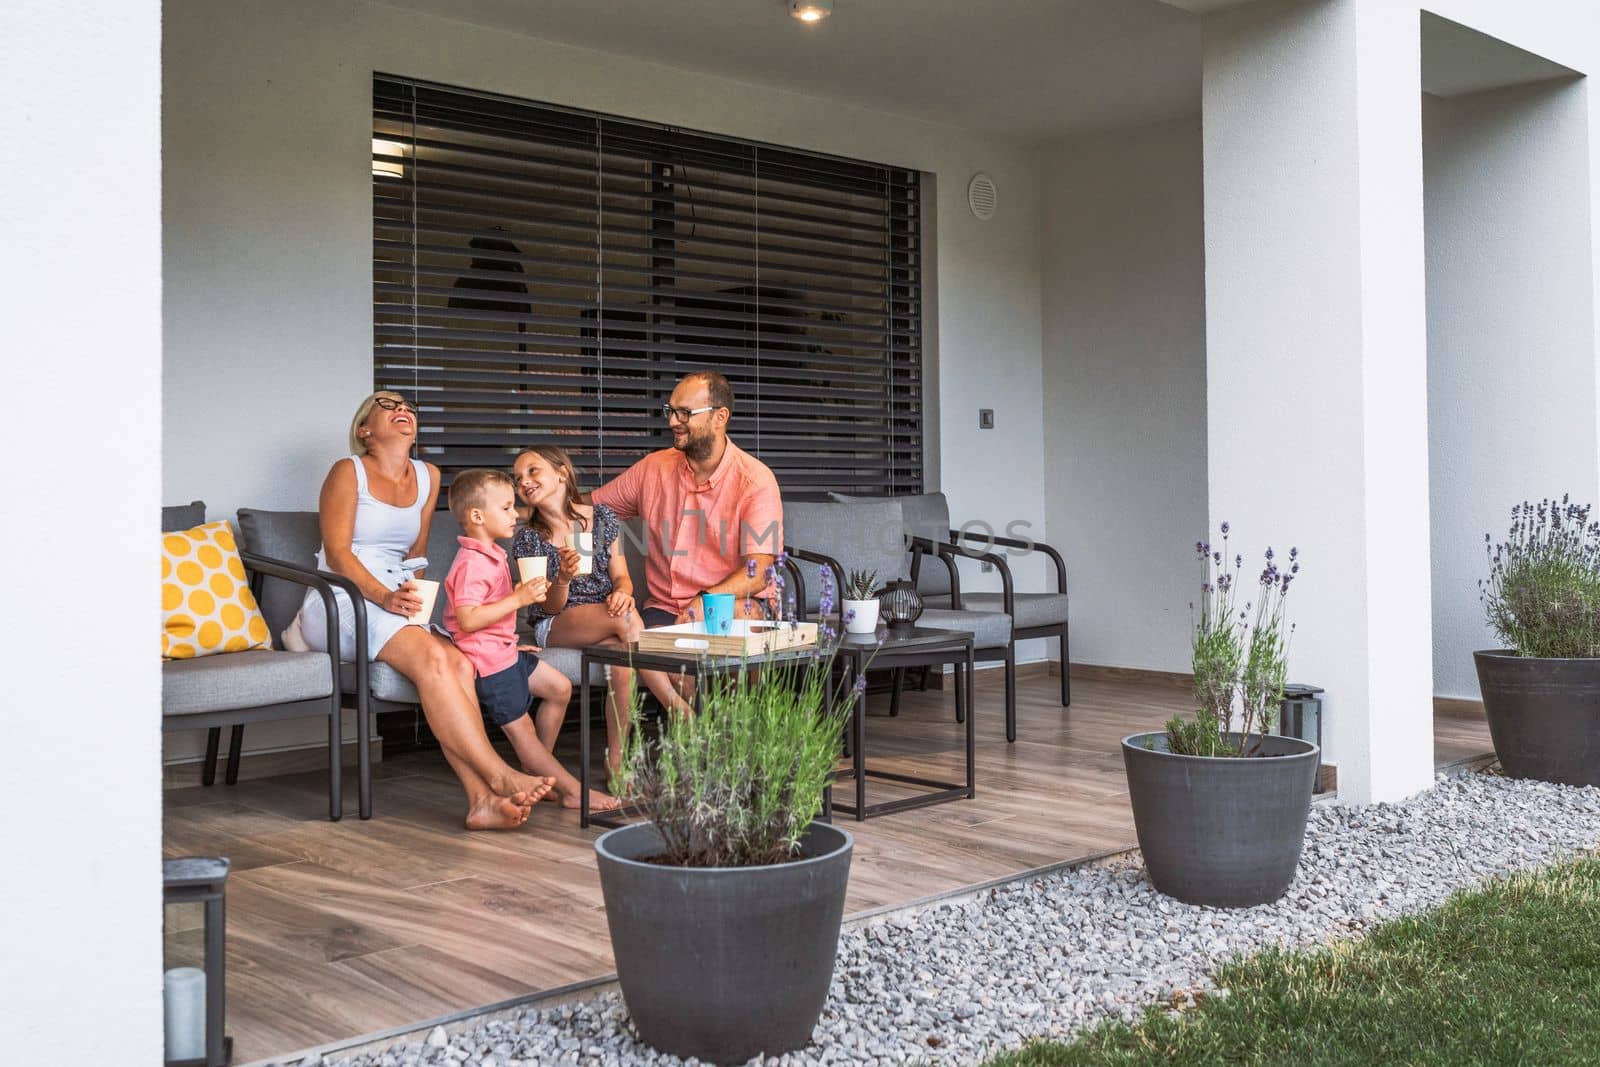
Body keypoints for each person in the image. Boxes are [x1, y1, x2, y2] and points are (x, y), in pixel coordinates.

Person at [294, 391, 555, 830]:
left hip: (397, 596)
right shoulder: (347, 472)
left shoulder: (428, 475)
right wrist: (383, 597)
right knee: (435, 657)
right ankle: (497, 775)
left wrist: (413, 598)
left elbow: (415, 554)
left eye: (410, 408)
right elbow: (337, 555)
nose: (403, 411)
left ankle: (480, 804)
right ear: (364, 430)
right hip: (341, 597)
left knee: (456, 661)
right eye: (388, 404)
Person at [442, 468, 619, 811]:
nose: (516, 514)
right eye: (507, 508)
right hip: (490, 665)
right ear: (477, 516)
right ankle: (571, 791)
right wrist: (519, 600)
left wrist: (508, 635)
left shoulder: (490, 554)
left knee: (559, 688)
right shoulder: (472, 562)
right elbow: (467, 618)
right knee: (522, 733)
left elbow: (488, 615)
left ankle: (534, 769)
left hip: (503, 652)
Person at [511, 445, 692, 774]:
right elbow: (543, 603)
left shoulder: (604, 519)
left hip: (610, 619)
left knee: (621, 662)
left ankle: (616, 761)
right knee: (623, 619)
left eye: (532, 471)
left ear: (561, 473)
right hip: (556, 622)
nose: (524, 482)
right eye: (518, 478)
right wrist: (563, 577)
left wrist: (624, 592)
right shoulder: (529, 539)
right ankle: (676, 705)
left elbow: (621, 576)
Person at [590, 371, 783, 628]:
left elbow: (759, 573)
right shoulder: (653, 468)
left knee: (729, 624)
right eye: (670, 411)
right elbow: (591, 505)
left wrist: (706, 600)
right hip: (666, 609)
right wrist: (529, 507)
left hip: (738, 604)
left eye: (684, 413)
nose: (672, 421)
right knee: (658, 659)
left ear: (720, 417)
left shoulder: (755, 481)